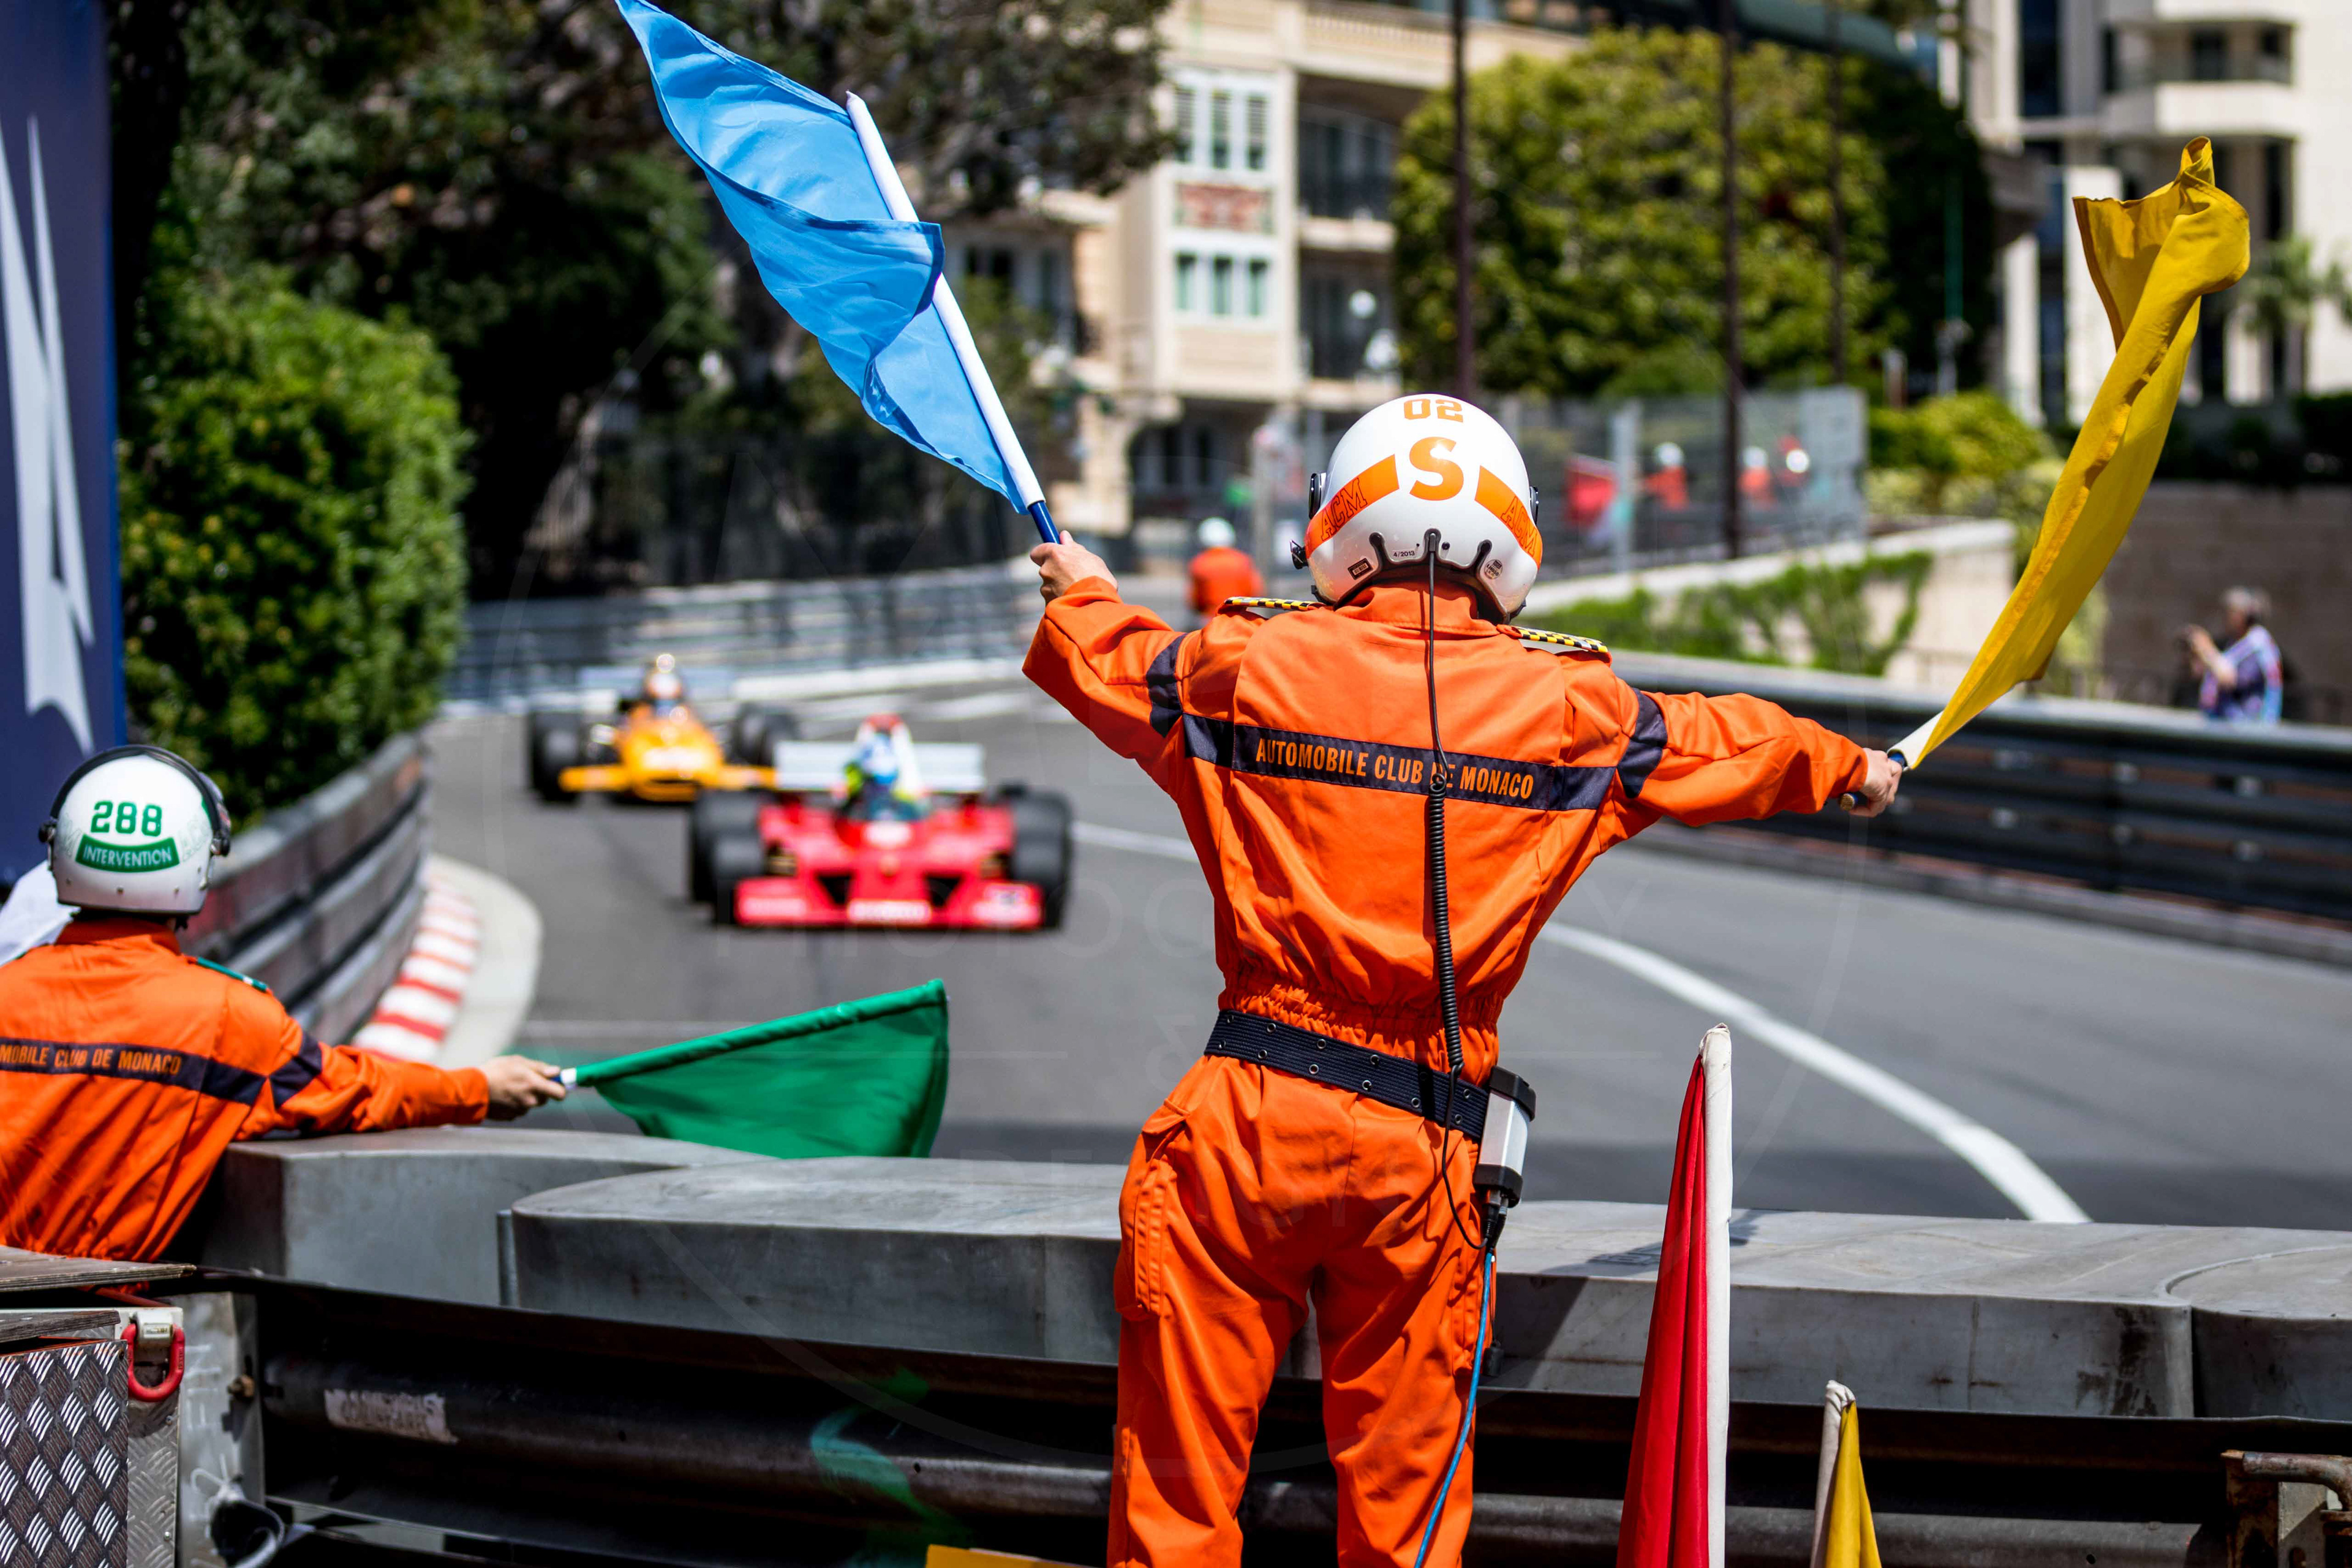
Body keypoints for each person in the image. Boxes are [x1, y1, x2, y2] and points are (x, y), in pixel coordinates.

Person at [1024, 394, 1901, 1568]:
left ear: (1340, 525)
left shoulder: (1241, 662)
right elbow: (1730, 743)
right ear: (1510, 544)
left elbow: (1105, 661)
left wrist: (1078, 583)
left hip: (1245, 1123)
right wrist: (1857, 766)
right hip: (1425, 1145)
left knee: (1174, 1513)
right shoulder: (1576, 711)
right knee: (1409, 1524)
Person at [0, 746, 567, 1262]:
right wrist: (481, 1090)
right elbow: (361, 1092)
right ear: (196, 864)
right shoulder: (228, 1018)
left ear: (62, 851)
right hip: (92, 1341)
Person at [2185, 587, 2284, 725]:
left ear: (2247, 615)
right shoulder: (2236, 644)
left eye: (2231, 612)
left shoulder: (2258, 645)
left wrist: (2206, 649)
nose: (2226, 618)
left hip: (2249, 729)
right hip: (2224, 724)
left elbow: (2230, 679)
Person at [1187, 516, 1263, 621]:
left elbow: (1195, 600)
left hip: (1211, 620)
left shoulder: (1200, 563)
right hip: (1241, 619)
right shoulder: (1243, 561)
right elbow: (1254, 591)